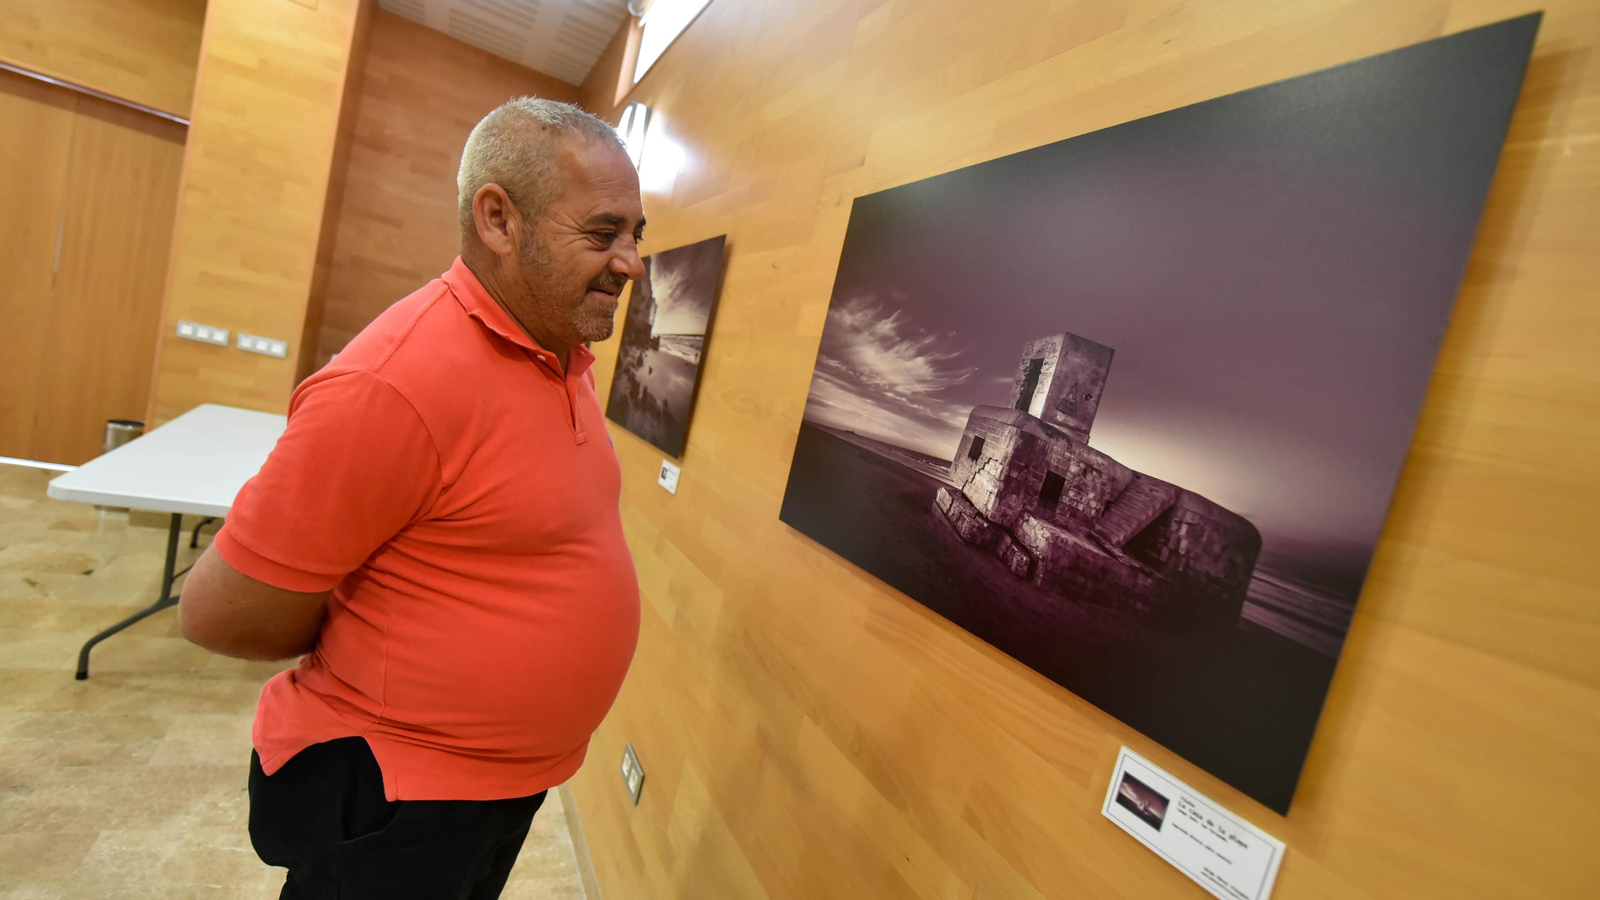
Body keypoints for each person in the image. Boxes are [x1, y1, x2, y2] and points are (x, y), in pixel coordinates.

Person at [177, 97, 646, 899]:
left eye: (636, 235)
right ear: (497, 220)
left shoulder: (559, 355)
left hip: (494, 789)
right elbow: (222, 612)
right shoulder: (392, 383)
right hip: (395, 799)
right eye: (603, 234)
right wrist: (384, 644)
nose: (630, 262)